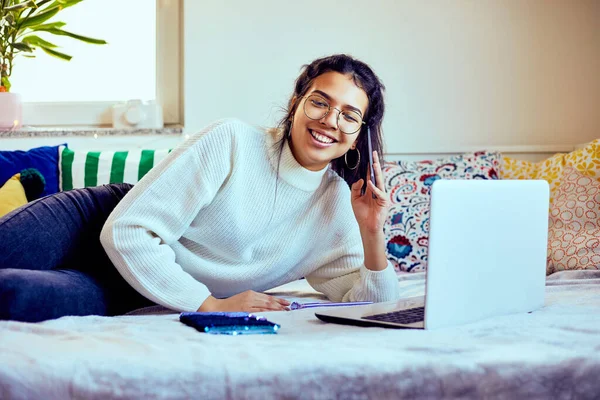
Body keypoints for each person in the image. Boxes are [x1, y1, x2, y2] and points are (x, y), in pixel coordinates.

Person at [0, 54, 400, 322]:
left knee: (14, 295)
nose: (331, 120)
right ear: (297, 101)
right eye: (320, 102)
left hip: (138, 286)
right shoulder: (232, 141)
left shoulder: (337, 206)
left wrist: (371, 230)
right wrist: (210, 304)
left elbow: (373, 305)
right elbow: (126, 230)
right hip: (99, 222)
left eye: (349, 115)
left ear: (359, 135)